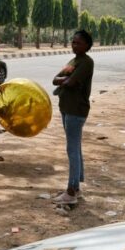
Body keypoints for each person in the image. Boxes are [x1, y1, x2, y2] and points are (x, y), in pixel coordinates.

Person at [52, 30, 95, 205]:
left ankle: (71, 191)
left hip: (76, 110)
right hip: (66, 108)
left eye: (78, 43)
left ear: (87, 45)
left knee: (72, 150)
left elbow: (70, 82)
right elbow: (55, 80)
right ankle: (76, 187)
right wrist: (65, 80)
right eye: (73, 42)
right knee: (75, 148)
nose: (74, 45)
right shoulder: (73, 61)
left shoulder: (86, 62)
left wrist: (64, 80)